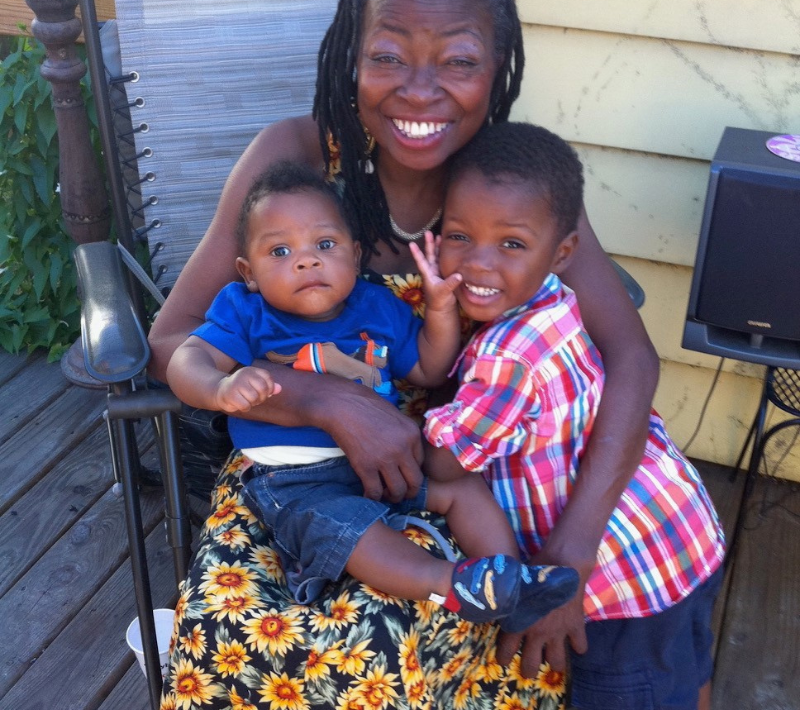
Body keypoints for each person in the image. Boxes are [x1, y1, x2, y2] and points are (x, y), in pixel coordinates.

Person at [151, 0, 661, 710]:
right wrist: (329, 400)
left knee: (415, 641)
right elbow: (172, 341)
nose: (419, 91)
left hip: (461, 477)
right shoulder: (294, 161)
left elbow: (630, 355)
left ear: (497, 70)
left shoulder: (508, 183)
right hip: (289, 468)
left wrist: (573, 551)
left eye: (458, 60)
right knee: (251, 637)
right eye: (387, 55)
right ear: (351, 56)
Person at [166, 160, 578, 624]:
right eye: (279, 251)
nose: (306, 260)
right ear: (250, 271)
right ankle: (451, 584)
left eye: (325, 244)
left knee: (460, 487)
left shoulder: (376, 306)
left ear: (355, 255)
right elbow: (187, 358)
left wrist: (440, 308)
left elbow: (428, 367)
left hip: (387, 462)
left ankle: (512, 582)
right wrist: (221, 386)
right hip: (299, 482)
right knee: (350, 532)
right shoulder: (247, 312)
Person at [423, 121, 726, 710]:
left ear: (562, 252)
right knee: (684, 673)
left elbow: (444, 460)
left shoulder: (506, 356)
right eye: (459, 237)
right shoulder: (555, 301)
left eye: (511, 244)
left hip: (622, 581)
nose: (480, 265)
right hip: (676, 530)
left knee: (639, 692)